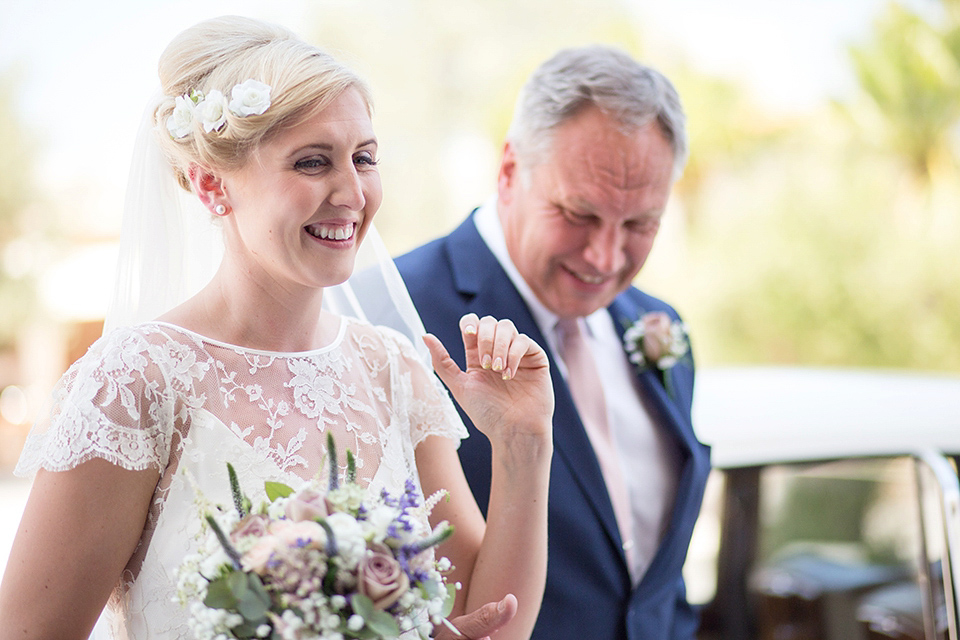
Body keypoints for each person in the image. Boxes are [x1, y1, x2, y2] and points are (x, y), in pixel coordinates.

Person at [0, 16, 554, 640]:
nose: (352, 192)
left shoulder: (392, 368)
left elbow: (489, 625)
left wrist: (523, 443)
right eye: (313, 162)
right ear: (212, 185)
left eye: (364, 158)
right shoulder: (134, 382)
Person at [395, 45, 712, 639]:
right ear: (510, 171)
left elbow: (655, 575)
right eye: (579, 214)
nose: (605, 257)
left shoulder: (661, 325)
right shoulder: (396, 318)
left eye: (640, 224)